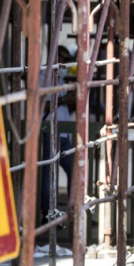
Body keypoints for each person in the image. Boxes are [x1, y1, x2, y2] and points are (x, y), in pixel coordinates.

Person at [40, 44, 76, 225]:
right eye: (61, 58)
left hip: (62, 133)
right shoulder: (44, 77)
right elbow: (40, 104)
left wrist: (70, 101)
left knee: (72, 170)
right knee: (49, 174)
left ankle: (71, 210)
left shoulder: (59, 79)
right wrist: (63, 99)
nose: (64, 63)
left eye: (66, 60)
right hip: (50, 131)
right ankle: (48, 214)